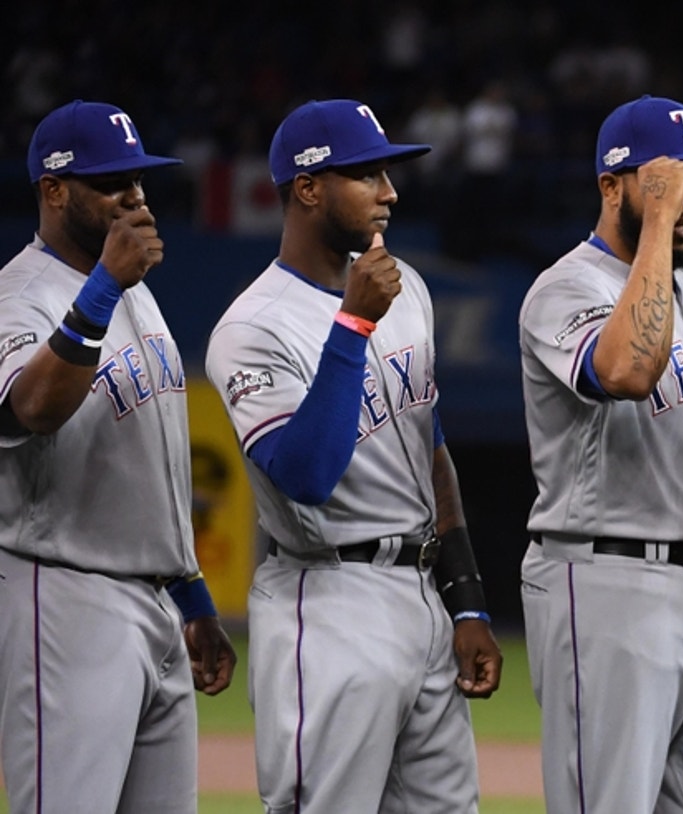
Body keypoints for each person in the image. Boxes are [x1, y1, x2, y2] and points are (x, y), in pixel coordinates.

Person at [204, 99, 502, 814]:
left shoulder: (410, 288)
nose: (390, 192)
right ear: (308, 188)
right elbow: (305, 477)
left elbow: (432, 451)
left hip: (423, 598)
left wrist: (465, 603)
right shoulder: (251, 327)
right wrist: (355, 322)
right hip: (327, 600)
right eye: (367, 174)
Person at [518, 94, 683, 814]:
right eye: (668, 177)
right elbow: (628, 373)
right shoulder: (563, 289)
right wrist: (661, 226)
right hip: (604, 581)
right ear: (612, 187)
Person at [0, 99, 237, 813]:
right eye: (111, 182)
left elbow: (153, 463)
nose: (134, 195)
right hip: (65, 596)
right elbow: (32, 409)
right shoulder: (21, 296)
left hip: (155, 603)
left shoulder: (134, 294)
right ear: (53, 191)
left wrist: (192, 595)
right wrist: (104, 287)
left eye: (138, 178)